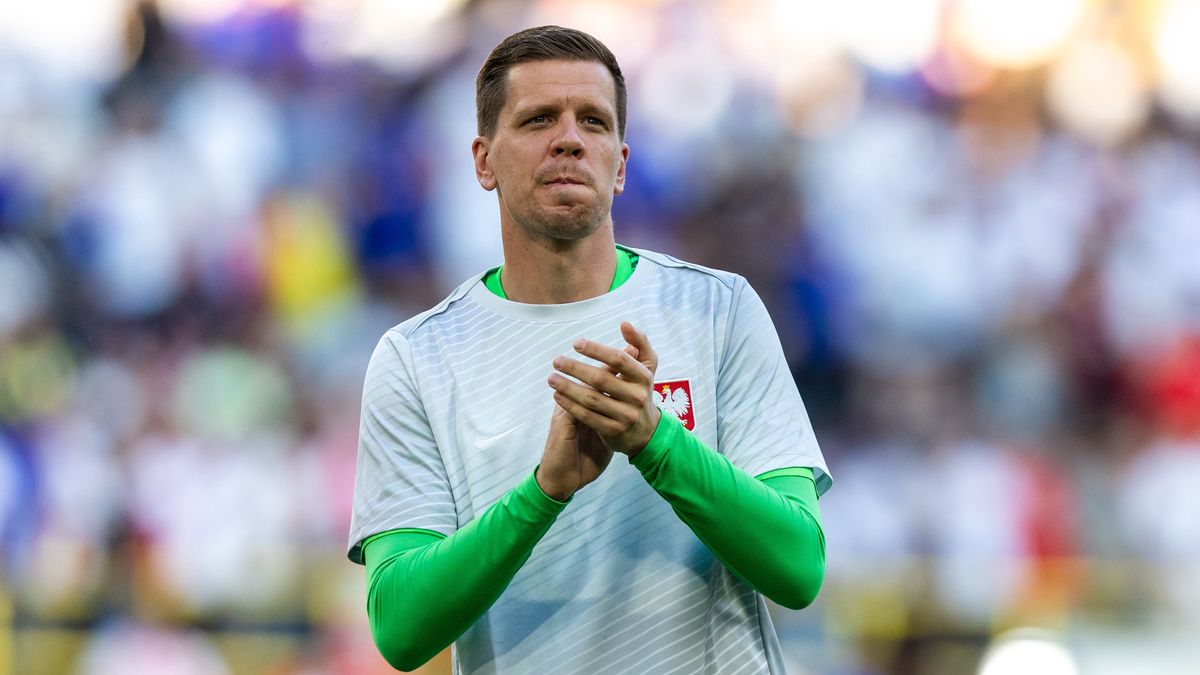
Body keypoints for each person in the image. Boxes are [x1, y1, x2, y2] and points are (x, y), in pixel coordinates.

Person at [348, 25, 831, 674]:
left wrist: (657, 441)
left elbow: (799, 567)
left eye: (594, 122)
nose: (569, 138)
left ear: (622, 164)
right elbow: (401, 628)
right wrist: (544, 492)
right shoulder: (418, 357)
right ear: (483, 160)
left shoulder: (719, 310)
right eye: (539, 119)